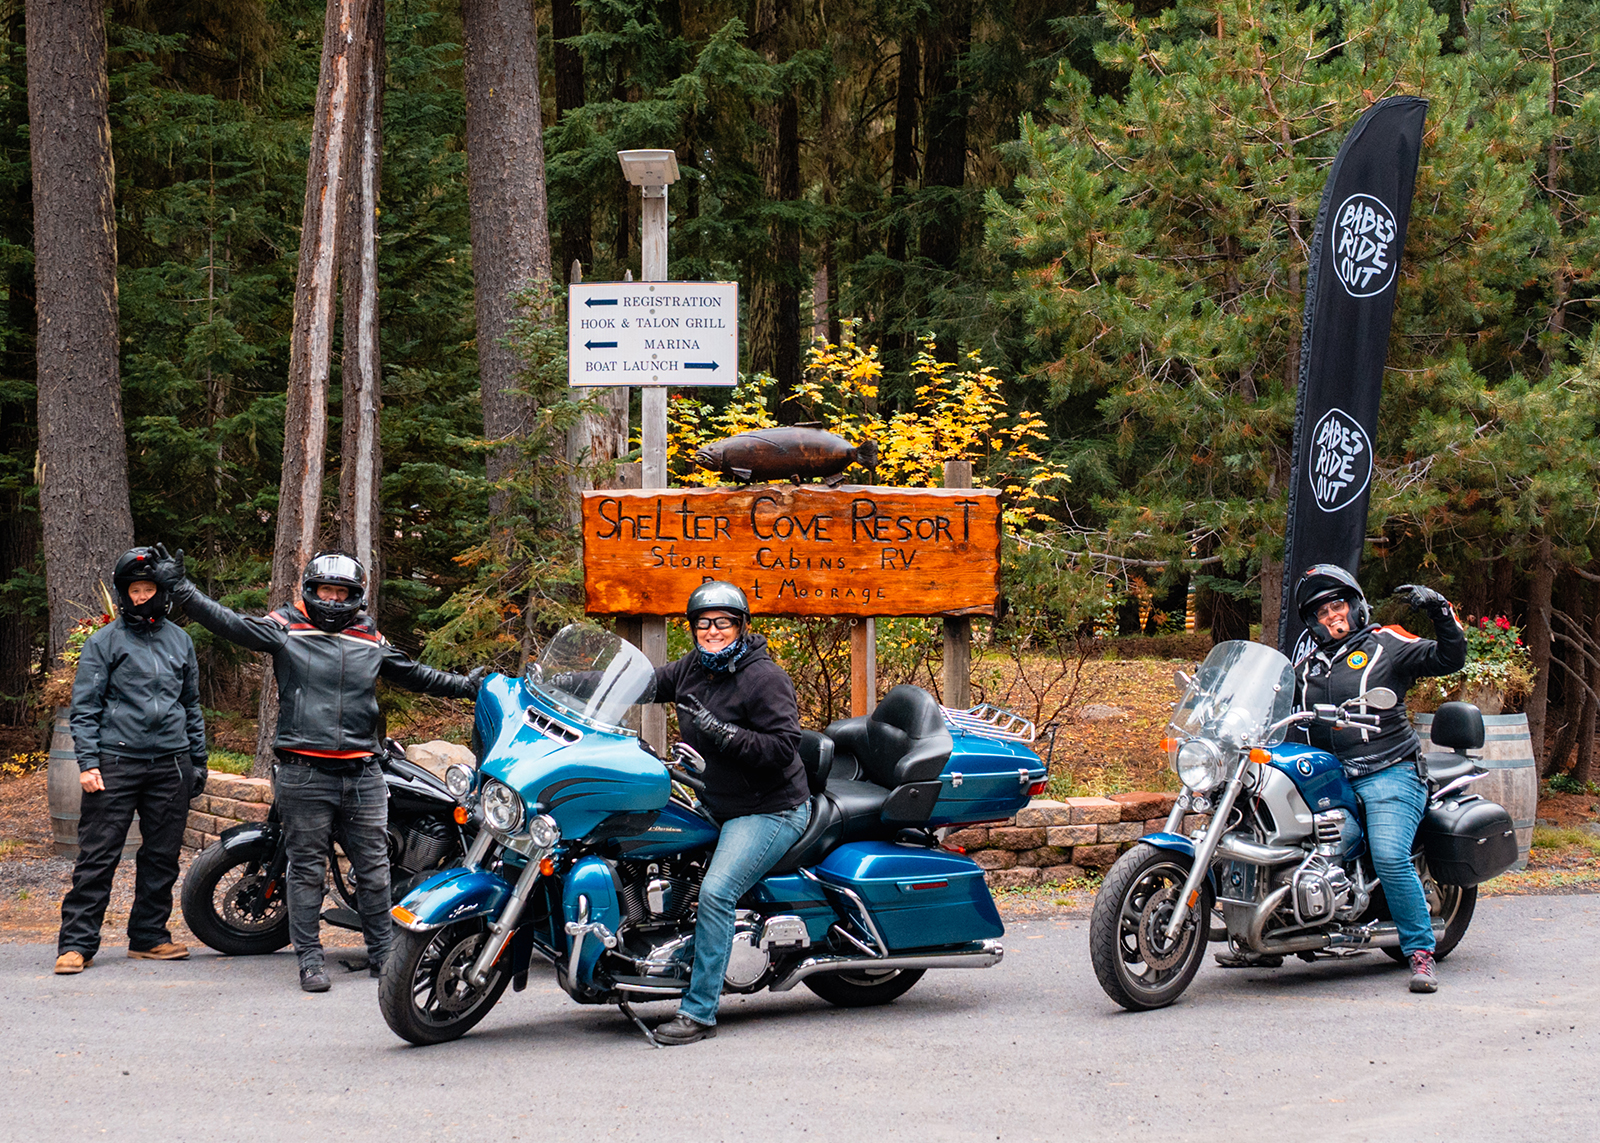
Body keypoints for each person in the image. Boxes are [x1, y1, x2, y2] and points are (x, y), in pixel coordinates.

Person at [151, 547, 483, 993]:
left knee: (374, 869)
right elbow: (230, 623)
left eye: (341, 592)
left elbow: (415, 674)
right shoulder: (285, 627)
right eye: (326, 590)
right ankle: (309, 960)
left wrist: (467, 687)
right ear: (311, 589)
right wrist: (183, 590)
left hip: (363, 772)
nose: (332, 599)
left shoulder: (369, 636)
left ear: (355, 596)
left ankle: (383, 955)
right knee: (306, 870)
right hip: (304, 772)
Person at [646, 581, 810, 1044]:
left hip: (769, 808)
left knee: (717, 893)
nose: (712, 631)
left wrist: (723, 732)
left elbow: (783, 747)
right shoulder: (693, 668)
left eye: (723, 622)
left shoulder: (764, 678)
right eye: (704, 623)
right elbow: (641, 683)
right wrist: (560, 685)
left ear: (741, 626)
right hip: (716, 800)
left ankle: (699, 1012)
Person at [1292, 563, 1466, 994]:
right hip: (1329, 778)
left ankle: (1420, 952)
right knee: (1291, 843)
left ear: (1355, 607)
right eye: (1322, 612)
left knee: (1389, 855)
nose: (1332, 616)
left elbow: (1450, 658)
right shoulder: (1306, 664)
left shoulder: (1385, 642)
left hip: (1389, 770)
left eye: (1337, 606)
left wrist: (1441, 611)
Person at [56, 547, 207, 974]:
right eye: (134, 590)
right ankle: (77, 944)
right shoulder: (104, 642)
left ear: (162, 592)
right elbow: (85, 708)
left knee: (161, 856)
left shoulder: (180, 641)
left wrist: (197, 760)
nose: (141, 597)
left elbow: (190, 705)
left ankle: (149, 937)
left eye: (148, 589)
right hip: (116, 762)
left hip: (171, 764)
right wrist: (88, 763)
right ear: (124, 594)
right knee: (98, 855)